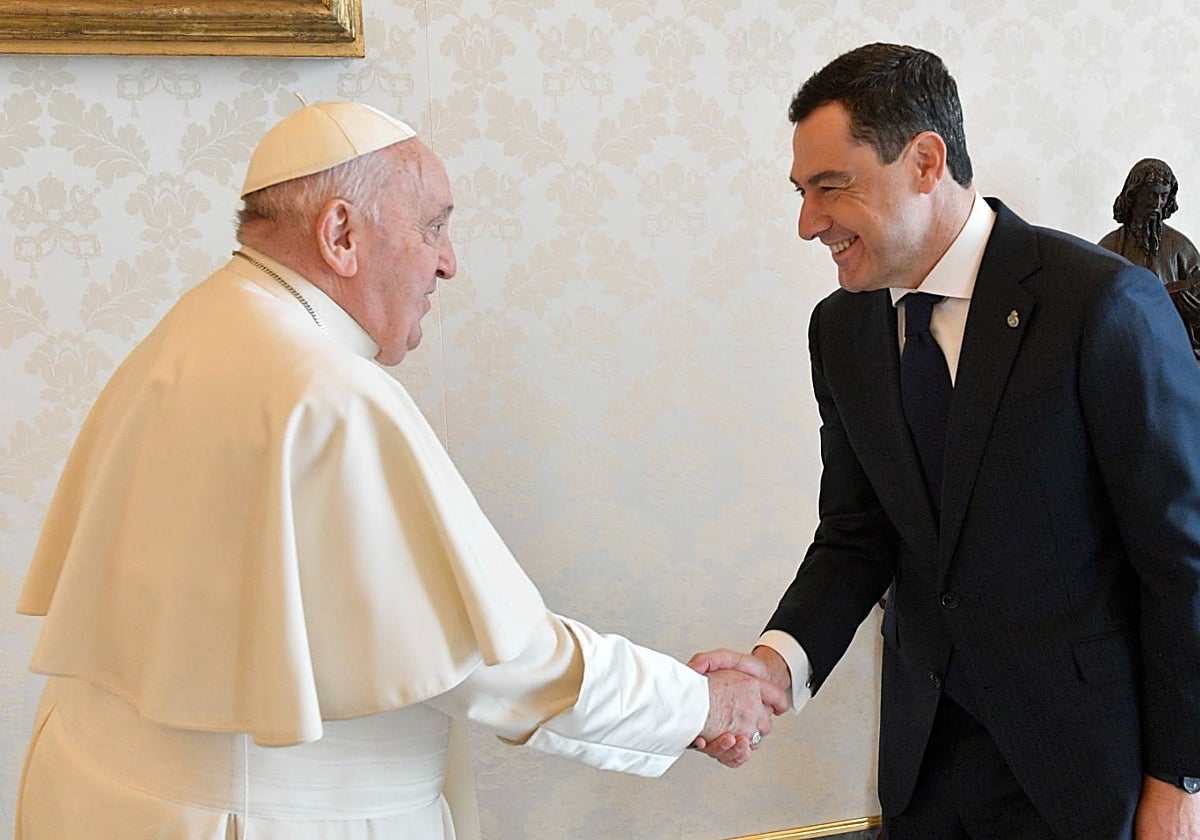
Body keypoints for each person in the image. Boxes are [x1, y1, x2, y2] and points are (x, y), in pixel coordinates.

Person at [14, 101, 786, 839]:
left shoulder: (195, 328)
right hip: (269, 820)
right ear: (341, 234)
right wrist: (699, 706)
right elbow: (499, 661)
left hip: (103, 797)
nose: (448, 264)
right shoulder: (327, 392)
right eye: (434, 228)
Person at [692, 44, 1200, 838]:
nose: (807, 223)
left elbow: (1183, 561)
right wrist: (776, 665)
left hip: (1090, 773)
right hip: (922, 769)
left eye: (831, 188)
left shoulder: (1103, 306)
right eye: (801, 192)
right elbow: (857, 535)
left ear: (925, 162)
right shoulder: (843, 329)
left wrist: (1179, 782)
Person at [1099, 158, 1200, 360]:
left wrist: (1196, 317)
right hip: (1126, 355)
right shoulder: (1109, 248)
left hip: (1173, 357)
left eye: (1163, 196)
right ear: (1134, 195)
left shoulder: (1182, 248)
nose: (1157, 204)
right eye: (1152, 195)